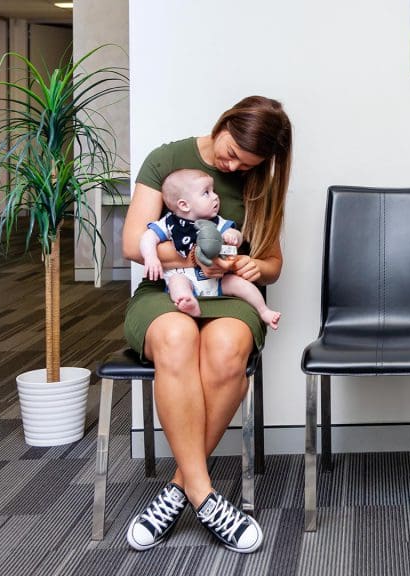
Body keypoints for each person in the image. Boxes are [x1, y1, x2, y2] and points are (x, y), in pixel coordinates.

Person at [121, 95, 292, 553]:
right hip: (167, 290)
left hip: (226, 295)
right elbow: (132, 245)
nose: (232, 168)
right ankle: (204, 493)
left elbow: (273, 263)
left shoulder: (258, 181)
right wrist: (198, 257)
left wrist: (255, 267)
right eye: (232, 153)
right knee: (176, 338)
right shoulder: (167, 160)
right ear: (225, 123)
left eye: (245, 164)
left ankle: (178, 489)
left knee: (225, 351)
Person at [140, 168, 281, 329]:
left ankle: (264, 311)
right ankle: (187, 301)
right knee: (176, 282)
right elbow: (148, 237)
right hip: (185, 277)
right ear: (184, 205)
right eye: (206, 193)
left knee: (240, 283)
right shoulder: (170, 223)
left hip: (217, 280)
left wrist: (234, 236)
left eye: (213, 191)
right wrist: (151, 257)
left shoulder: (216, 222)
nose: (215, 196)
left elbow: (235, 233)